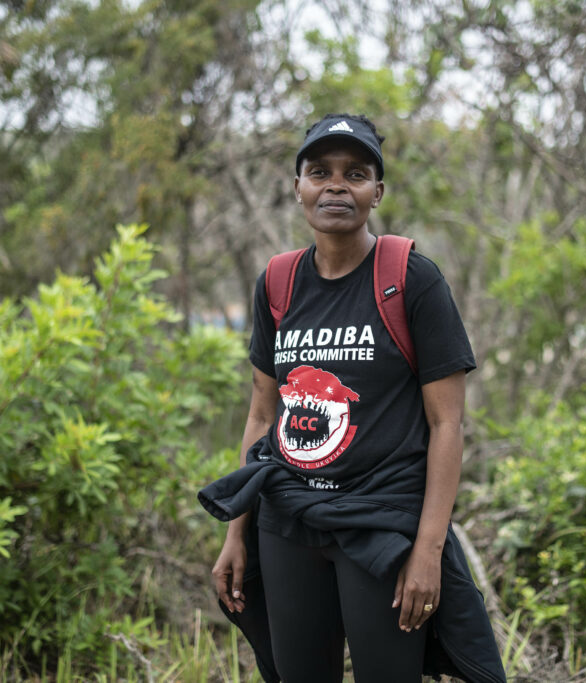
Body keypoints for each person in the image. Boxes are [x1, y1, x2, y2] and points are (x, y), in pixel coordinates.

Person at [199, 113, 505, 682]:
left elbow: (447, 425)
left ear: (377, 192)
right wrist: (236, 532)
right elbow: (262, 414)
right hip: (288, 518)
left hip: (381, 523)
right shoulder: (278, 282)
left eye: (355, 174)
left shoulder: (410, 279)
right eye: (320, 172)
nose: (336, 186)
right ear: (298, 187)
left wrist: (427, 552)